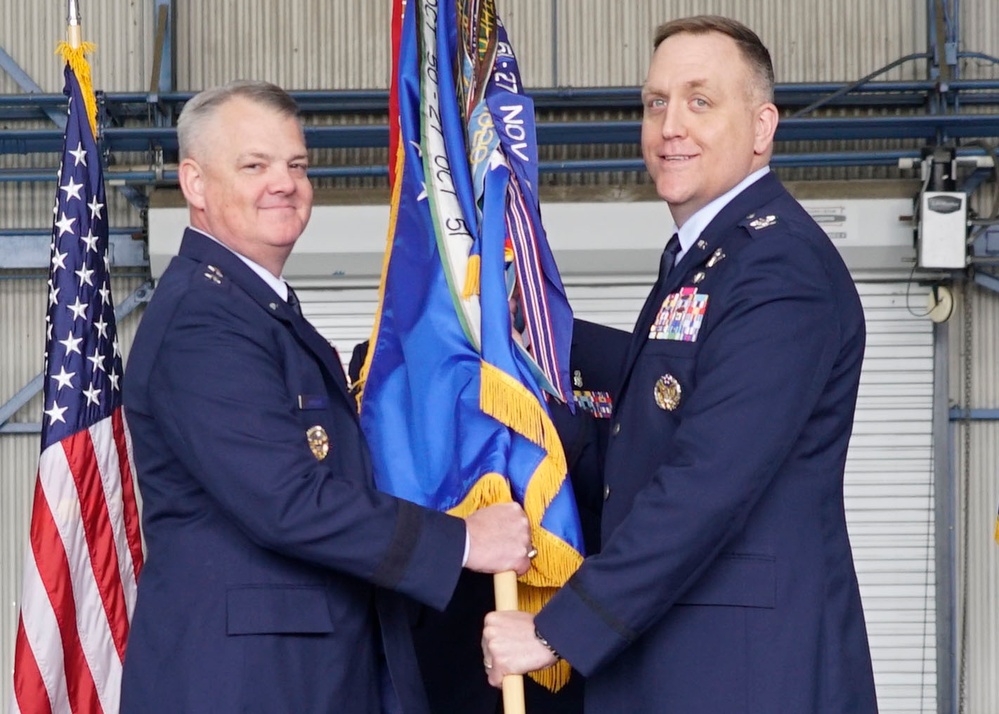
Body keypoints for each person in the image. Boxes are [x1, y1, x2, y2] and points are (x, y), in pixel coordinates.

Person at [482, 15, 879, 714]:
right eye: (654, 102)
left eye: (699, 101)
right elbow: (665, 386)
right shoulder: (709, 257)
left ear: (760, 128)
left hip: (743, 671)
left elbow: (707, 479)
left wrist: (558, 631)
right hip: (691, 661)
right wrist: (514, 333)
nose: (669, 125)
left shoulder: (779, 265)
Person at [120, 80, 534, 714]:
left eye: (296, 165)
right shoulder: (203, 320)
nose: (283, 182)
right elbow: (285, 499)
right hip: (249, 683)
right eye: (254, 165)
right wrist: (463, 541)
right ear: (195, 185)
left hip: (303, 669)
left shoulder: (253, 307)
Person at [347, 318, 624, 714]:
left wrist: (525, 386)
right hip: (444, 643)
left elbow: (628, 489)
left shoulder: (608, 353)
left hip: (572, 646)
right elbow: (387, 487)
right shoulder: (392, 351)